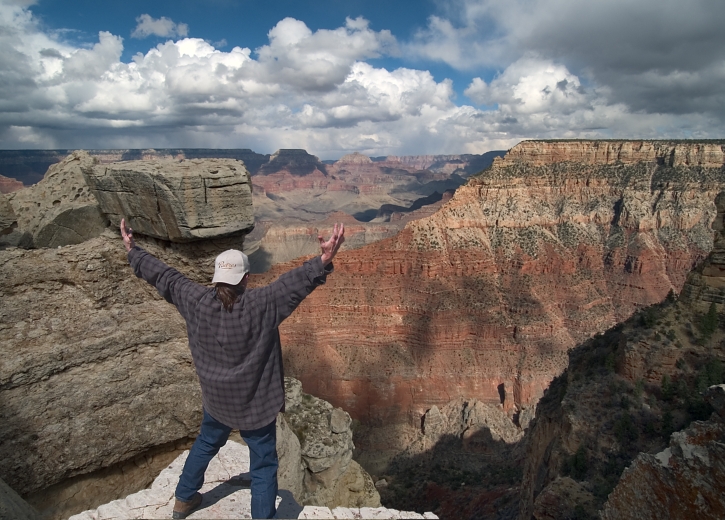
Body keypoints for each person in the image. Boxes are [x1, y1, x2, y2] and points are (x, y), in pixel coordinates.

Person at [120, 218, 345, 519]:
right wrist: (324, 259)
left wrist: (133, 251)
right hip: (255, 408)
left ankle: (184, 498)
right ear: (246, 278)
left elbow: (166, 277)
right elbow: (292, 285)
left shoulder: (195, 300)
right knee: (263, 464)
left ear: (216, 278)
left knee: (206, 443)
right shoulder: (262, 305)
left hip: (218, 402)